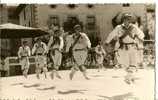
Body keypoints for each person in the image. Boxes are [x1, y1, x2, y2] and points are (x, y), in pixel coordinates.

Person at [105, 13, 144, 84]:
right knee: (126, 65)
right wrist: (107, 41)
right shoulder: (118, 27)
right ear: (123, 20)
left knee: (134, 64)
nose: (127, 20)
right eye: (126, 19)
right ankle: (130, 76)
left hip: (132, 47)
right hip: (122, 48)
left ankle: (128, 77)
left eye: (129, 19)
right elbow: (111, 34)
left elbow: (141, 34)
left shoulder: (134, 27)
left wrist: (140, 38)